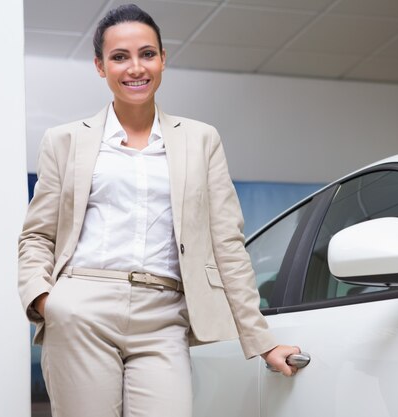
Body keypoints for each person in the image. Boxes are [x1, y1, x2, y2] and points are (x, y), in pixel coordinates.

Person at [18, 3, 300, 417]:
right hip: (82, 307)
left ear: (163, 59)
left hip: (166, 314)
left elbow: (228, 244)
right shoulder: (63, 141)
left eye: (147, 54)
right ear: (100, 66)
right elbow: (37, 235)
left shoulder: (202, 140)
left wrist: (262, 341)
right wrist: (47, 301)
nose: (135, 68)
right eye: (119, 57)